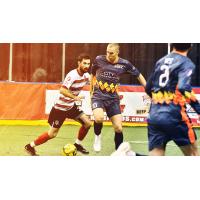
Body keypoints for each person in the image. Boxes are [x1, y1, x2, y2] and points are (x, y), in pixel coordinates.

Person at [25, 53, 92, 155]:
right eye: (84, 63)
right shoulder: (72, 75)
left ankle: (77, 144)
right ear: (79, 63)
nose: (87, 66)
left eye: (88, 64)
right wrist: (75, 97)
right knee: (52, 134)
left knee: (87, 123)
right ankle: (30, 146)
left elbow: (93, 81)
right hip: (60, 108)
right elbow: (62, 90)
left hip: (70, 106)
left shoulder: (86, 75)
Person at [145, 43, 200, 156]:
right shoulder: (186, 63)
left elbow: (148, 88)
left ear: (173, 44)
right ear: (191, 45)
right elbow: (183, 87)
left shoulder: (160, 61)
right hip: (175, 117)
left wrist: (160, 102)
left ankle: (129, 155)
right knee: (194, 154)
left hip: (155, 116)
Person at [90, 43, 146, 152]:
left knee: (119, 128)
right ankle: (97, 137)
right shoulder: (99, 59)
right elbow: (92, 74)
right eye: (107, 52)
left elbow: (138, 75)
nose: (108, 55)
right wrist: (91, 91)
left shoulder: (124, 64)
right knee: (98, 118)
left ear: (117, 53)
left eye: (111, 53)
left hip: (113, 99)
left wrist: (147, 88)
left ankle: (118, 152)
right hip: (98, 96)